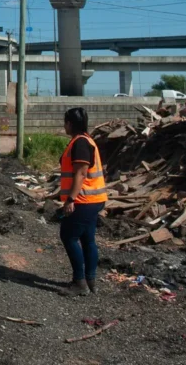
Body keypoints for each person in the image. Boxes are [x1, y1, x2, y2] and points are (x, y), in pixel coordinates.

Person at [58, 107, 108, 296]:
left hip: (83, 199)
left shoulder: (80, 143)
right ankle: (90, 280)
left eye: (65, 122)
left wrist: (70, 199)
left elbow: (80, 173)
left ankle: (80, 282)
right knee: (87, 239)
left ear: (70, 123)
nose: (64, 126)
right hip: (93, 199)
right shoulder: (86, 140)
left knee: (68, 236)